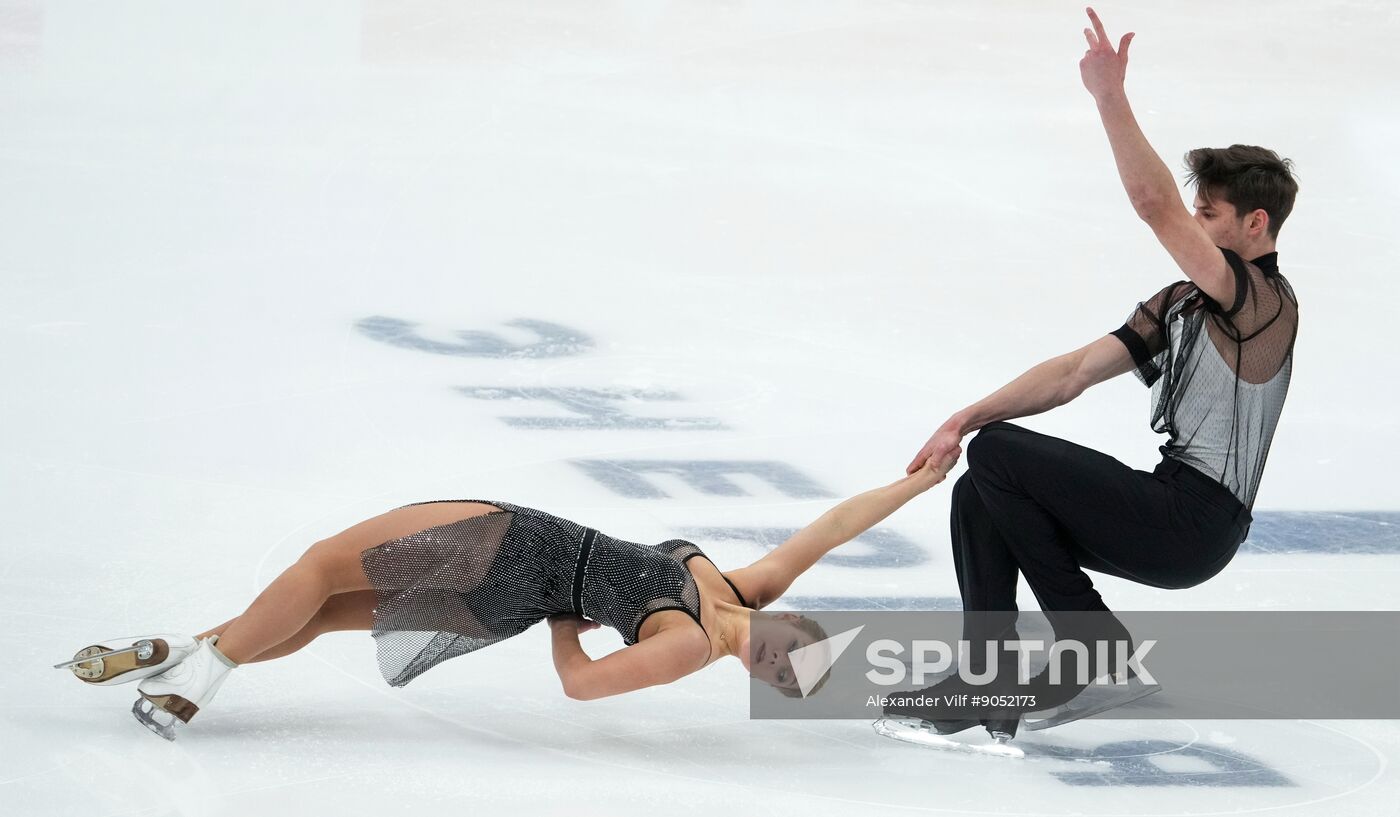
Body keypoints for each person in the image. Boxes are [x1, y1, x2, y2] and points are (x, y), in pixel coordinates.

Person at [885, 6, 1300, 743]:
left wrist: (1109, 96)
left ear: (1255, 225)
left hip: (1196, 522)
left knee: (1000, 454)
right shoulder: (1184, 302)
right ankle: (986, 679)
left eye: (1207, 215)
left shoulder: (1260, 301)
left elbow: (1153, 206)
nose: (1194, 225)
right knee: (982, 487)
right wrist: (962, 418)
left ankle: (1096, 650)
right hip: (1170, 510)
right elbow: (1072, 373)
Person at [59, 448, 961, 740]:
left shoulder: (708, 620)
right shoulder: (726, 612)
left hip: (518, 544)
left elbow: (581, 684)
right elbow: (835, 525)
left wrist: (569, 619)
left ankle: (199, 672)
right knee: (327, 615)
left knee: (321, 565)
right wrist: (915, 483)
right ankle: (186, 653)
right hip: (507, 604)